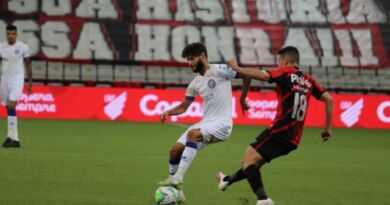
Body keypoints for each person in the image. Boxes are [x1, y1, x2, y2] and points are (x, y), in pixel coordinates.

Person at [216, 46, 334, 205]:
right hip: (294, 138)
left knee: (248, 161)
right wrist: (326, 129)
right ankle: (227, 180)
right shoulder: (308, 80)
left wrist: (236, 68)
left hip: (279, 130)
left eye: (278, 61)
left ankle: (263, 199)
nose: (278, 65)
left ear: (285, 61)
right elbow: (329, 100)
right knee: (253, 164)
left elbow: (262, 75)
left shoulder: (285, 72)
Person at [158, 42, 242, 196]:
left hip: (223, 123)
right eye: (187, 60)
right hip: (206, 123)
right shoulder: (195, 83)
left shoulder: (220, 70)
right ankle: (176, 190)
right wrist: (168, 112)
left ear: (202, 56)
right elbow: (184, 106)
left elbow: (246, 74)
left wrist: (243, 98)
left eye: (191, 59)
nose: (189, 63)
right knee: (174, 150)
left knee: (193, 134)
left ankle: (177, 178)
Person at [0, 25, 32, 148]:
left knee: (13, 105)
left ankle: (9, 137)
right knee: (8, 107)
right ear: (6, 34)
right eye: (8, 34)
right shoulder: (1, 47)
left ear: (16, 34)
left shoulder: (23, 47)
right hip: (5, 79)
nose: (11, 36)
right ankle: (16, 139)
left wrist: (30, 83)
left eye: (13, 34)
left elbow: (28, 65)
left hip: (17, 79)